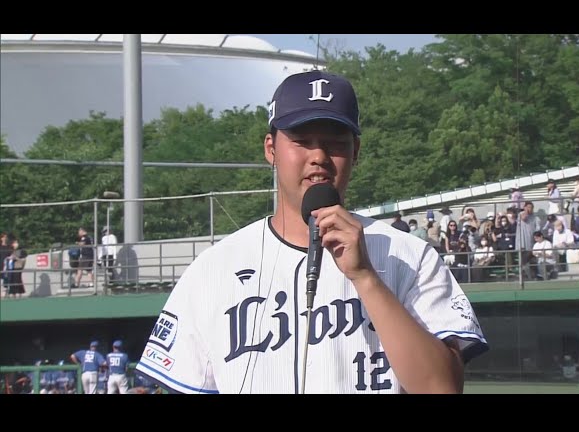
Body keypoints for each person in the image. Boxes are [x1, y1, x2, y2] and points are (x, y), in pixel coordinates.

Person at [135, 70, 488, 394]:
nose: (319, 155)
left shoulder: (410, 255)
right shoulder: (213, 269)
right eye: (302, 140)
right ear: (271, 149)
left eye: (335, 142)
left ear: (356, 152)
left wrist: (366, 277)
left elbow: (441, 388)